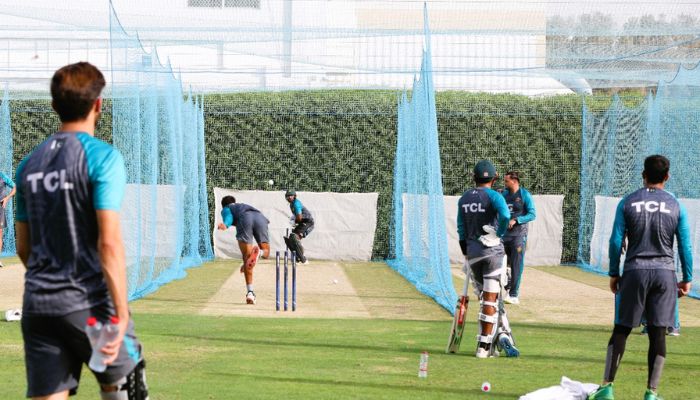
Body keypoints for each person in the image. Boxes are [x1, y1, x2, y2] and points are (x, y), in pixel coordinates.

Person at [15, 62, 148, 400]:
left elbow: (23, 247)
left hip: (39, 306)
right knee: (125, 389)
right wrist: (120, 312)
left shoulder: (28, 164)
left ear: (54, 106)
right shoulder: (102, 158)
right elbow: (109, 244)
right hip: (92, 308)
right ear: (98, 104)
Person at [588, 155, 692, 400]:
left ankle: (607, 387)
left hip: (634, 271)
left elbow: (615, 242)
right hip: (665, 274)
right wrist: (686, 277)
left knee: (622, 329)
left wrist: (614, 272)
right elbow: (685, 246)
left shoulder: (628, 202)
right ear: (666, 177)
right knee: (658, 333)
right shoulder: (675, 205)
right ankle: (651, 393)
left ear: (642, 174)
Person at [457, 160, 519, 358]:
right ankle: (483, 347)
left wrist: (466, 251)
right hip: (493, 253)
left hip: (473, 252)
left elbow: (460, 229)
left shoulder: (464, 198)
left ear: (474, 177)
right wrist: (498, 233)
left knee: (487, 299)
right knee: (491, 301)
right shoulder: (495, 196)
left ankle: (502, 333)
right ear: (494, 179)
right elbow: (504, 215)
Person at [217, 195, 270, 304]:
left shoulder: (227, 208)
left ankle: (250, 293)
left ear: (224, 205)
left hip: (245, 218)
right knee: (266, 252)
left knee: (246, 257)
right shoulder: (243, 205)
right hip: (260, 217)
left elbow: (228, 217)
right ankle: (260, 253)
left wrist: (225, 225)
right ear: (234, 202)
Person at [501, 171, 536, 305]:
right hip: (503, 235)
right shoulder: (504, 195)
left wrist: (516, 220)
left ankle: (514, 295)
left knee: (516, 265)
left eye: (506, 181)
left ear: (514, 182)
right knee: (499, 262)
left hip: (518, 236)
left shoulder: (524, 195)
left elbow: (532, 214)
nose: (504, 184)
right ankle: (507, 282)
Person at [284, 190, 313, 264]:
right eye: (288, 196)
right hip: (302, 222)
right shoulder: (291, 204)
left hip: (308, 222)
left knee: (294, 237)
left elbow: (299, 217)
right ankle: (297, 257)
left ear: (294, 196)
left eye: (291, 195)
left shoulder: (296, 204)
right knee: (290, 239)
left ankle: (303, 259)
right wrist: (294, 218)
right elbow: (297, 216)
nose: (289, 197)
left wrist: (294, 221)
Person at [0, 171, 16, 267]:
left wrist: (7, 198)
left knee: (0, 233)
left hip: (0, 209)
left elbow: (15, 187)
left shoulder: (2, 176)